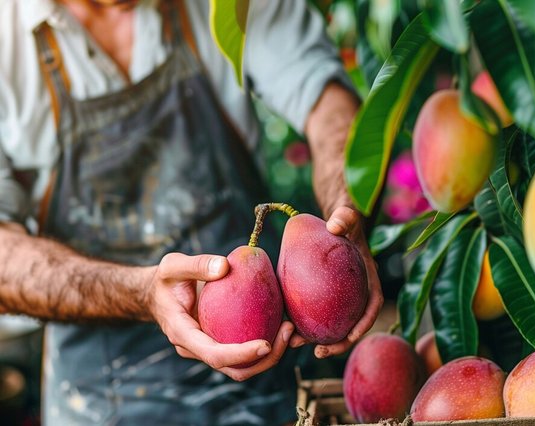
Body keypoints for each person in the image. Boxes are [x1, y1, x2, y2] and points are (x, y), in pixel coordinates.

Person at [0, 0, 383, 424]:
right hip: (101, 403)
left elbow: (325, 99)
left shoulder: (227, 7)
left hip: (274, 382)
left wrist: (344, 203)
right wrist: (143, 293)